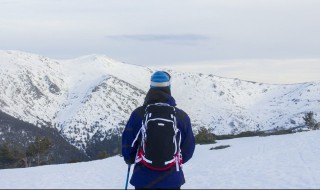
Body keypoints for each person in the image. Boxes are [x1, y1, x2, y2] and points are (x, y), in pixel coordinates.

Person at [122, 71, 195, 189]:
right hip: (172, 179)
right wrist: (171, 159)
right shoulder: (181, 116)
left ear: (151, 87)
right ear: (169, 88)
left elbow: (128, 144)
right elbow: (188, 149)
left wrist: (129, 158)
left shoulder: (139, 114)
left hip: (143, 178)